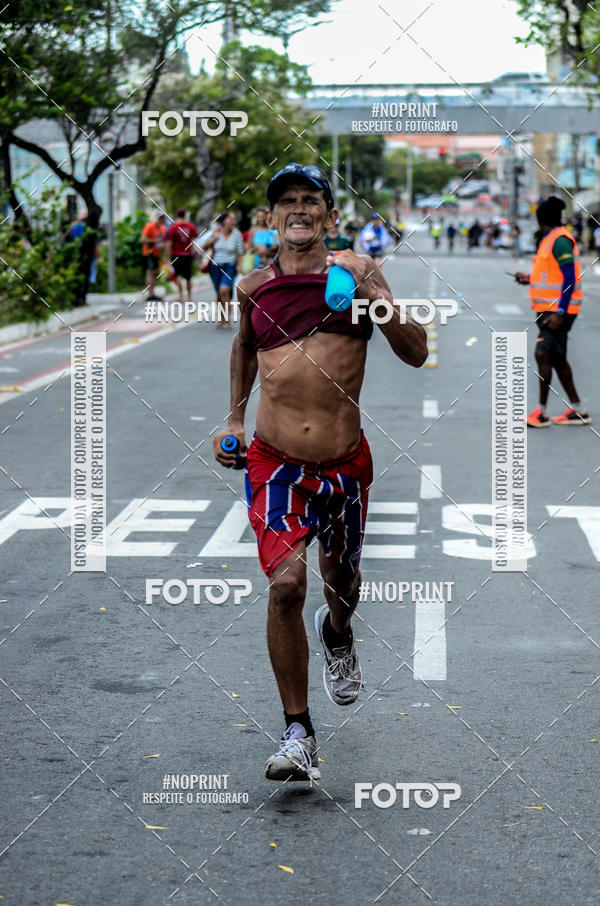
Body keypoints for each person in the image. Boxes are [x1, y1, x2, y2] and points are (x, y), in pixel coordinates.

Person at [213, 162, 427, 782]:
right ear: (271, 218)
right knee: (285, 585)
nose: (299, 209)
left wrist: (380, 305)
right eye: (287, 202)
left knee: (343, 586)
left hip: (344, 464)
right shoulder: (254, 287)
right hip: (275, 462)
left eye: (311, 200)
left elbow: (416, 354)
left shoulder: (358, 273)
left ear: (330, 217)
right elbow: (243, 349)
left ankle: (337, 633)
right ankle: (298, 729)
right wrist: (232, 419)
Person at [515, 196, 590, 426]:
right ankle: (578, 410)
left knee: (542, 354)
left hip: (556, 312)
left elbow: (570, 276)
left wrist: (560, 311)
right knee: (557, 359)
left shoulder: (559, 241)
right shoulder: (550, 240)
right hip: (549, 309)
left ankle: (541, 412)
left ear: (540, 221)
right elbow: (552, 275)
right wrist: (529, 279)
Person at [202, 211, 244, 328]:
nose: (233, 222)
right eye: (230, 219)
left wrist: (239, 265)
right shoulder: (216, 232)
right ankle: (221, 318)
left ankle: (227, 319)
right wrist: (215, 238)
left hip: (230, 265)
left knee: (224, 290)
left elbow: (240, 252)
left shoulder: (237, 234)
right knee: (219, 294)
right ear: (224, 221)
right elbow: (204, 246)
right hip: (215, 266)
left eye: (234, 219)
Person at [165, 208, 198, 305]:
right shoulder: (191, 226)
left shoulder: (173, 227)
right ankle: (189, 296)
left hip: (176, 254)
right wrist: (195, 252)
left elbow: (170, 243)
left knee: (178, 275)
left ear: (177, 215)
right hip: (188, 254)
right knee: (188, 277)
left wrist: (167, 256)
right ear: (185, 215)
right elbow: (195, 240)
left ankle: (181, 295)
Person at [141, 211, 168, 301]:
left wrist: (165, 255)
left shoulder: (162, 229)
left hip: (157, 253)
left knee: (155, 273)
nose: (161, 220)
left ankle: (152, 293)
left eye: (163, 218)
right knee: (150, 272)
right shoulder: (149, 226)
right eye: (160, 218)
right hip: (149, 252)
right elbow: (143, 239)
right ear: (156, 218)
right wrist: (155, 241)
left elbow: (162, 242)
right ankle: (150, 294)